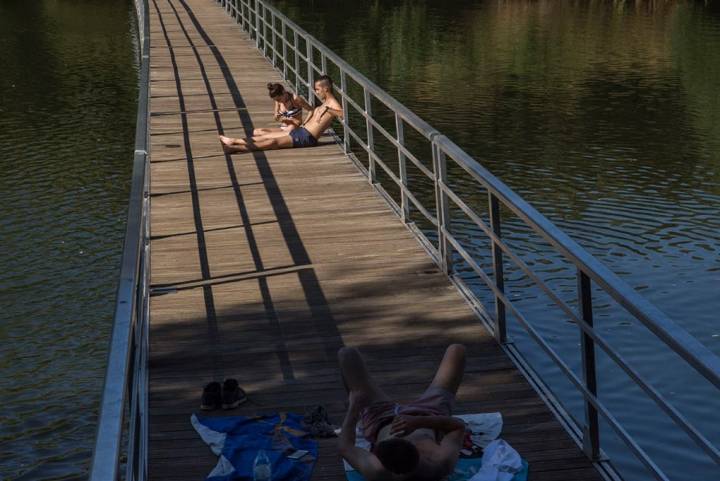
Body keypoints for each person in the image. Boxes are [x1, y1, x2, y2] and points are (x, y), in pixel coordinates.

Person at [338, 345, 467, 481]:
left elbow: (344, 446)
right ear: (417, 453)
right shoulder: (439, 463)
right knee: (456, 350)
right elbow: (459, 426)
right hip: (429, 412)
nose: (404, 435)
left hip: (380, 418)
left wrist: (353, 407)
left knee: (346, 354)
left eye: (394, 437)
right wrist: (417, 422)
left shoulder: (376, 470)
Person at [219, 75, 343, 153]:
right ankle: (233, 140)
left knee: (273, 143)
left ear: (326, 89)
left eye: (317, 89)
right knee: (267, 137)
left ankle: (234, 148)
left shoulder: (331, 103)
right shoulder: (325, 102)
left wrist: (328, 110)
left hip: (307, 138)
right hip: (301, 131)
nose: (316, 92)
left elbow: (343, 114)